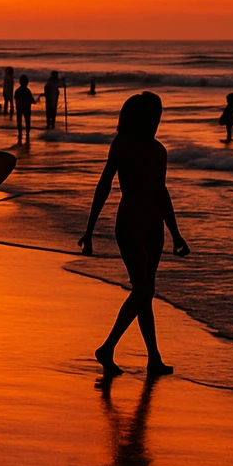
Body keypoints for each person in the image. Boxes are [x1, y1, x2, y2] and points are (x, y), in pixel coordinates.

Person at [79, 92, 190, 376]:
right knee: (143, 290)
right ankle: (107, 348)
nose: (157, 121)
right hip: (129, 222)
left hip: (154, 225)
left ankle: (153, 358)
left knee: (145, 293)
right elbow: (104, 185)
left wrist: (176, 234)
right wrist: (89, 230)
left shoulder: (159, 151)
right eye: (154, 116)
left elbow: (162, 194)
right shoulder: (123, 145)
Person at [14, 75, 34, 144]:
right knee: (27, 121)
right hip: (26, 108)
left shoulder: (17, 91)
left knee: (19, 121)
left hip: (19, 108)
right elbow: (32, 100)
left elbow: (15, 98)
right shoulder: (28, 91)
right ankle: (27, 134)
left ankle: (20, 133)